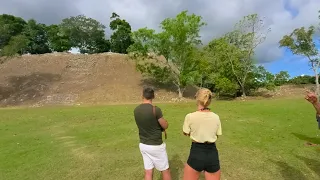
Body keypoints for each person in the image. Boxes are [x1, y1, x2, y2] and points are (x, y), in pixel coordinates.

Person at [182, 88, 222, 180]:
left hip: (197, 152)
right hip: (212, 153)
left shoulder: (190, 116)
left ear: (197, 99)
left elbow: (185, 132)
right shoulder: (216, 117)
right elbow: (217, 135)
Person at [133, 87, 172, 180]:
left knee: (148, 171)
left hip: (143, 144)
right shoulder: (156, 110)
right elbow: (165, 125)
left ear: (142, 96)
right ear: (153, 96)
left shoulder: (136, 110)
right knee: (165, 170)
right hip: (156, 145)